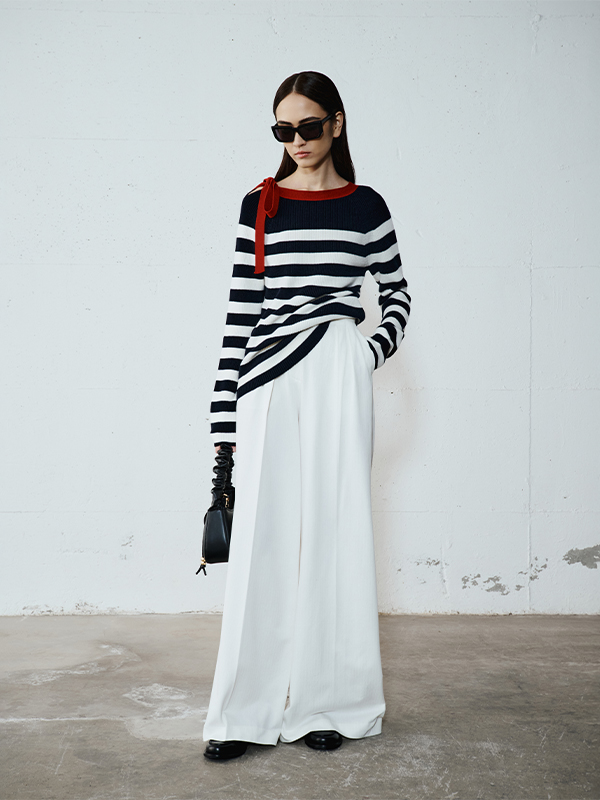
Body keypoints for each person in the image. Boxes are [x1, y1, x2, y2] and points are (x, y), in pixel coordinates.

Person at [203, 70, 411, 761]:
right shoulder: (259, 205)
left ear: (337, 124)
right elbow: (240, 312)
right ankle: (243, 712)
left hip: (338, 375)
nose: (297, 141)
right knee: (262, 542)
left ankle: (328, 702)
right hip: (267, 379)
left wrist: (367, 352)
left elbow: (397, 292)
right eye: (283, 130)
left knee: (335, 533)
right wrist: (223, 423)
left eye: (309, 127)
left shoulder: (366, 205)